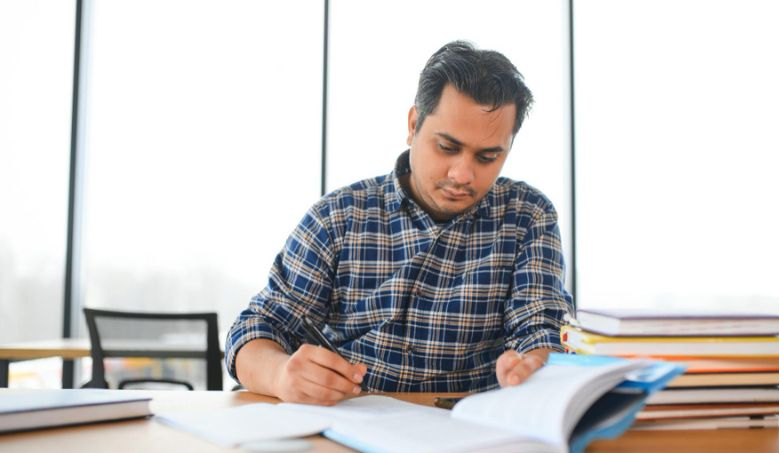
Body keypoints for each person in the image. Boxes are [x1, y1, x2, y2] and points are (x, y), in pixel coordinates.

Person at [225, 40, 574, 405]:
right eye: (448, 148)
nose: (463, 174)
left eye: (487, 157)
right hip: (348, 424)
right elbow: (255, 330)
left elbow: (542, 329)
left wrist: (536, 365)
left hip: (469, 430)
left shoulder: (528, 216)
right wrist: (280, 374)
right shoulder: (338, 218)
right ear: (413, 125)